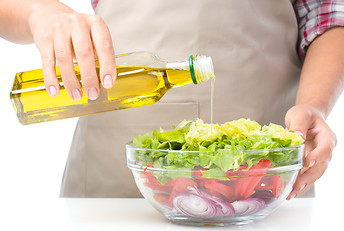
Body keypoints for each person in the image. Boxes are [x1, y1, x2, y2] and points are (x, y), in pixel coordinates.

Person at [0, 0, 343, 199]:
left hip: (259, 180)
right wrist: (37, 11)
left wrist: (313, 106)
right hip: (109, 174)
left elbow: (330, 15)